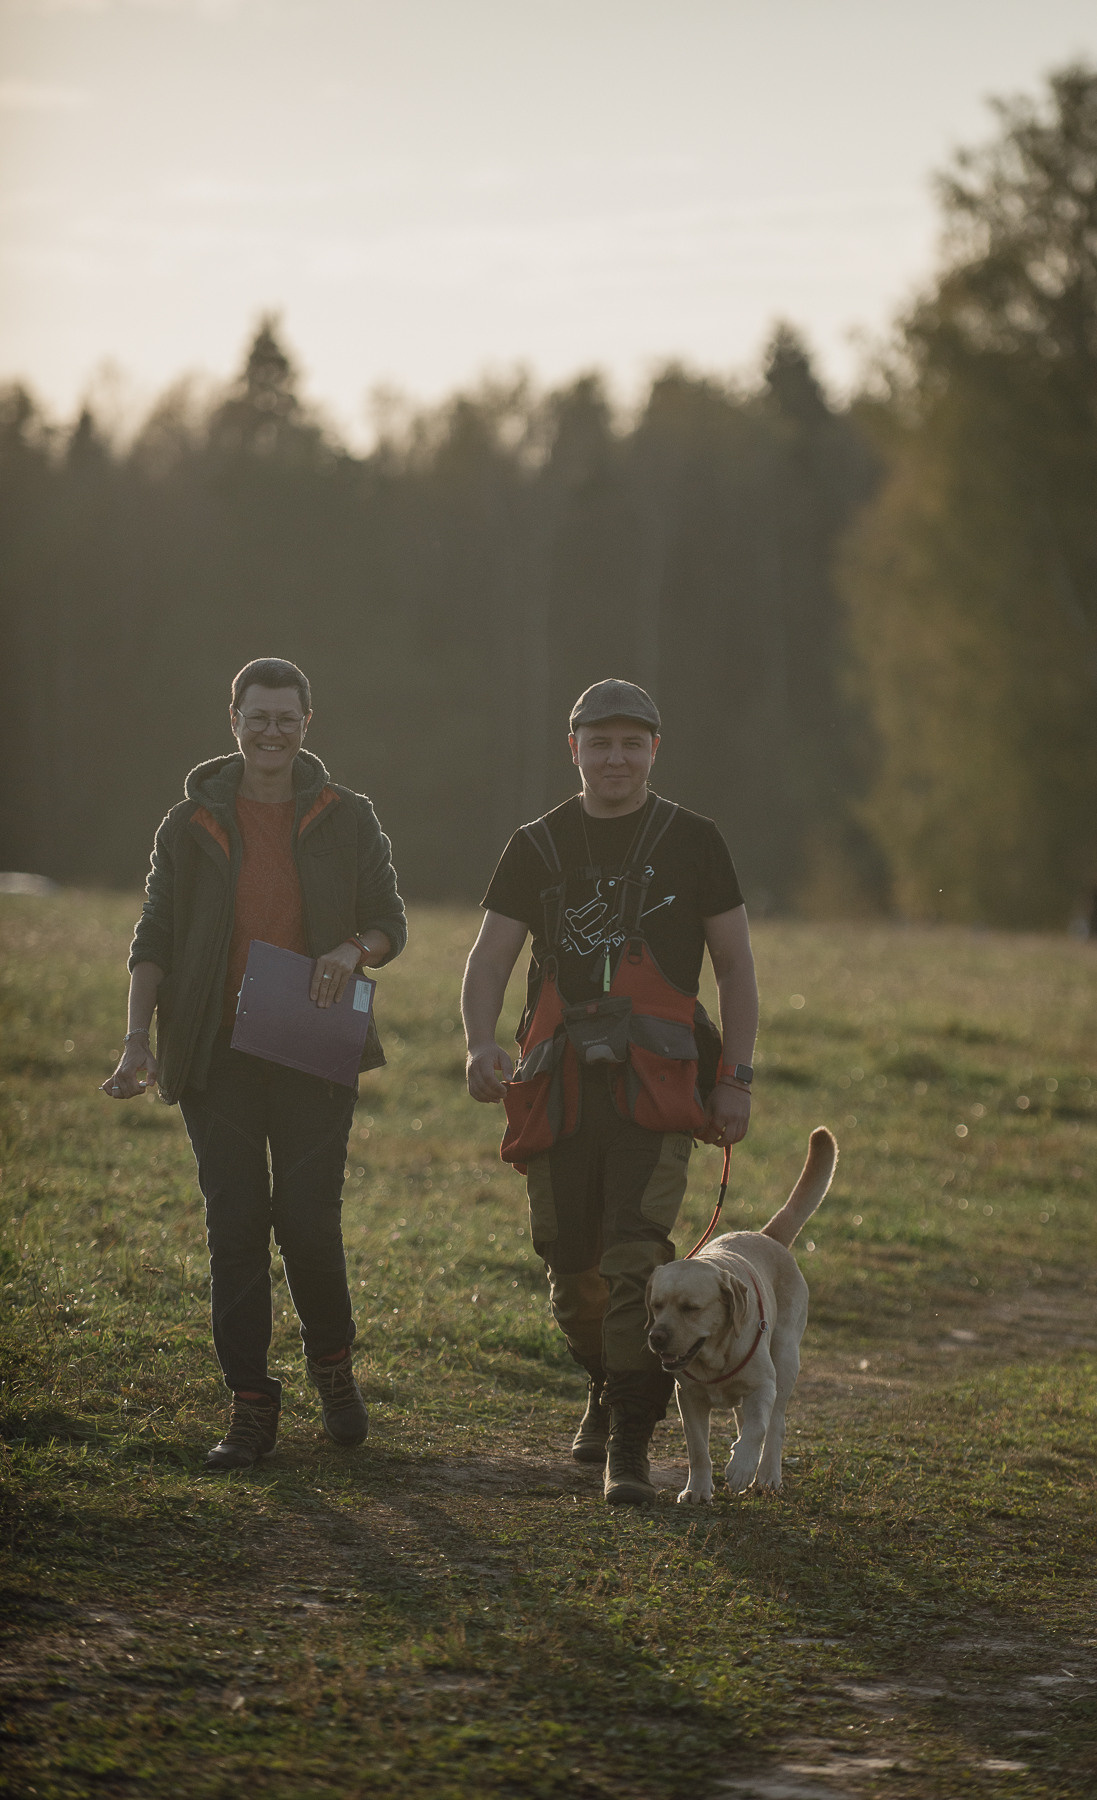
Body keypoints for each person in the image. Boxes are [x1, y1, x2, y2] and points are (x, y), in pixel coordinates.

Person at [101, 657, 406, 1472]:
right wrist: (138, 1040)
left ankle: (333, 1371)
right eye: (256, 716)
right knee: (234, 1227)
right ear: (232, 720)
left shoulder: (348, 816)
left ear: (308, 723)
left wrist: (350, 948)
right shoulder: (188, 822)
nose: (271, 731)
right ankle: (250, 1405)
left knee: (307, 1221)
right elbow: (154, 939)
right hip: (212, 1051)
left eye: (286, 717)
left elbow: (387, 922)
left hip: (312, 1041)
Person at [462, 678, 758, 1507]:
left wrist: (733, 1077)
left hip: (658, 1091)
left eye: (632, 743)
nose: (615, 758)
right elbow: (487, 962)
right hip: (556, 1087)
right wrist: (480, 1044)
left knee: (634, 1261)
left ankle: (628, 1443)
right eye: (600, 743)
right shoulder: (536, 845)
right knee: (571, 1272)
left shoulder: (694, 840)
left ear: (653, 751)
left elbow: (734, 967)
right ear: (574, 749)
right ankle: (605, 1382)